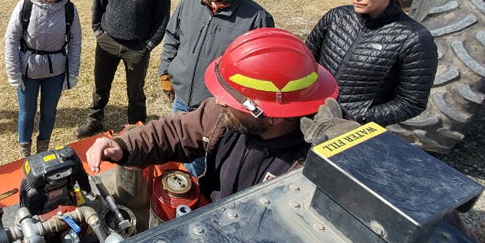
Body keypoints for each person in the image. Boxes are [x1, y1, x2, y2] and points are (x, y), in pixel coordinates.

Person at [87, 28, 350, 200]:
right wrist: (123, 145)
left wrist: (348, 162)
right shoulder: (225, 116)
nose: (219, 101)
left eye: (233, 99)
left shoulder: (312, 166)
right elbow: (176, 131)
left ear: (273, 115)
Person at [158, 0, 274, 175]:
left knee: (207, 161)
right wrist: (166, 71)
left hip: (217, 107)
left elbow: (260, 74)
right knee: (182, 148)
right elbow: (172, 38)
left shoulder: (256, 19)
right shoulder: (188, 4)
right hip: (181, 99)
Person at [305, 0, 437, 126]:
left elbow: (411, 102)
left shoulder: (414, 39)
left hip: (353, 129)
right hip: (310, 113)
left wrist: (356, 118)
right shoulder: (335, 17)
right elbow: (306, 60)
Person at [77, 0, 171, 137]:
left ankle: (136, 129)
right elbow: (98, 5)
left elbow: (162, 19)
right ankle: (94, 121)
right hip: (107, 42)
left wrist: (147, 46)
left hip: (137, 48)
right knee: (100, 87)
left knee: (135, 94)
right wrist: (98, 31)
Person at [4, 0, 83, 158]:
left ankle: (42, 151)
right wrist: (13, 73)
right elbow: (11, 40)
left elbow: (75, 42)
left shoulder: (69, 10)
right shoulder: (24, 7)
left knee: (49, 113)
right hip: (28, 71)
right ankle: (24, 153)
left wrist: (72, 74)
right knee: (26, 114)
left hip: (56, 72)